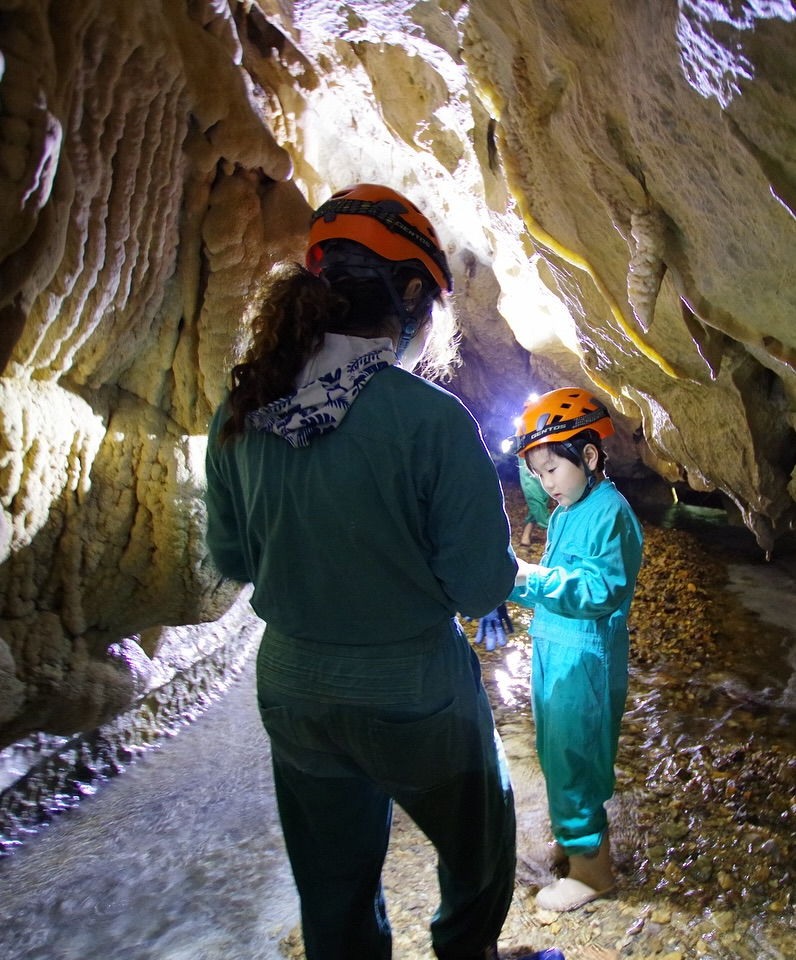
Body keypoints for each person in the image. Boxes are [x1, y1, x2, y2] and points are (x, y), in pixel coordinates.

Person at [204, 184, 542, 960]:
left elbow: (230, 560)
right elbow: (482, 586)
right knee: (478, 852)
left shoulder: (246, 406)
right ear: (415, 293)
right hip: (413, 690)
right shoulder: (428, 419)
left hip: (291, 687)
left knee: (333, 886)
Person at [506, 389, 644, 912]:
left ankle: (593, 873)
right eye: (536, 472)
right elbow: (540, 488)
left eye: (551, 470)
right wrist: (531, 451)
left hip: (584, 656)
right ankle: (571, 839)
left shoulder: (610, 513)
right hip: (555, 648)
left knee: (575, 753)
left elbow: (598, 590)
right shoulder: (570, 504)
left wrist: (527, 579)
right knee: (555, 750)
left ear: (589, 457)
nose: (544, 485)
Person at [517, 454, 553, 547]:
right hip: (525, 456)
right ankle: (550, 532)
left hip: (543, 455)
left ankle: (526, 534)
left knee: (542, 497)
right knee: (534, 496)